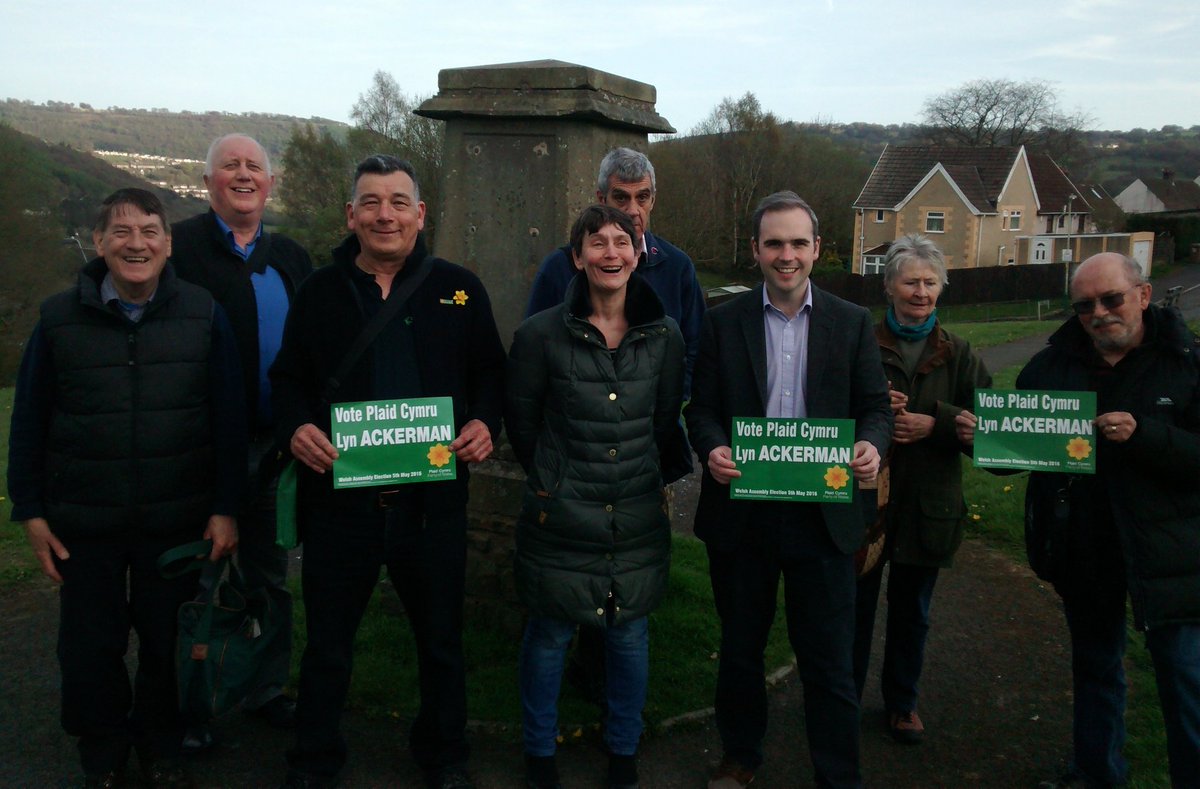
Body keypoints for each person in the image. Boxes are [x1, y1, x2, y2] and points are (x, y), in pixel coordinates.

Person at [270, 155, 505, 789]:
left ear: (421, 214)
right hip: (341, 508)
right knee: (327, 647)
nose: (385, 214)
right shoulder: (319, 291)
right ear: (351, 215)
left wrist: (485, 422)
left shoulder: (460, 288)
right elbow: (287, 380)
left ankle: (444, 755)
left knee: (440, 643)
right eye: (371, 202)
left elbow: (491, 374)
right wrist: (296, 428)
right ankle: (314, 761)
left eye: (399, 202)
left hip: (429, 510)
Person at [7, 188, 246, 788]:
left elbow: (228, 418)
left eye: (148, 232)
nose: (135, 243)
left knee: (168, 642)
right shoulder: (59, 318)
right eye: (121, 232)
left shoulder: (203, 312)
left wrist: (226, 508)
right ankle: (103, 750)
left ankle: (160, 745)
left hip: (177, 517)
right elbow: (30, 416)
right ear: (99, 243)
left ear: (168, 244)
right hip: (84, 519)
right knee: (90, 646)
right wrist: (30, 510)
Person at [684, 191, 892, 789]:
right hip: (743, 514)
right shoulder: (723, 321)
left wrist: (874, 445)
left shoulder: (850, 322)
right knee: (741, 649)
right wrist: (712, 447)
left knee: (828, 660)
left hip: (822, 517)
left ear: (817, 249)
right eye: (774, 242)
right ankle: (740, 756)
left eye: (798, 242)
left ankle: (837, 774)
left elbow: (874, 407)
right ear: (755, 250)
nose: (786, 254)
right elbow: (702, 410)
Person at [1004, 252, 1200, 789]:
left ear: (1143, 294)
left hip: (1171, 550)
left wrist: (1145, 436)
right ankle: (1095, 773)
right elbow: (1018, 448)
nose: (1098, 313)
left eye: (1111, 299)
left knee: (1184, 677)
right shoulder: (1051, 365)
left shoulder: (1187, 362)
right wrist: (990, 441)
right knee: (1095, 669)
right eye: (1084, 305)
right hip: (1085, 544)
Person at [507, 205, 685, 789]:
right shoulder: (540, 335)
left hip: (634, 508)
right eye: (597, 243)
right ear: (577, 257)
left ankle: (624, 750)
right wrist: (555, 478)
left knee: (629, 631)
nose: (611, 252)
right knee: (551, 632)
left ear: (638, 254)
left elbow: (663, 421)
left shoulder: (663, 336)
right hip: (562, 510)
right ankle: (538, 753)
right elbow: (523, 423)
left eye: (622, 242)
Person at [170, 133, 313, 740]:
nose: (244, 174)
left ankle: (264, 687)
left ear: (271, 185)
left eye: (255, 166)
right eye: (230, 166)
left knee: (268, 576)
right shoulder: (175, 249)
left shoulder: (292, 258)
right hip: (194, 445)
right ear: (209, 184)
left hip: (274, 448)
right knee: (195, 580)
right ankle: (190, 704)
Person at [850, 234, 991, 744]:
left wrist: (939, 424)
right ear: (889, 286)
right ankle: (843, 698)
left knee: (913, 612)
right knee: (855, 608)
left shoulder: (959, 353)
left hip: (928, 505)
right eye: (911, 281)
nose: (922, 292)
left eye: (932, 282)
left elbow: (990, 431)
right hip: (866, 500)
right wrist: (869, 409)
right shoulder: (858, 340)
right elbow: (822, 412)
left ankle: (903, 703)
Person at [525, 146, 705, 396]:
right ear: (602, 199)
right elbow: (531, 352)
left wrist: (668, 400)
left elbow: (696, 346)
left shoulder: (677, 266)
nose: (633, 210)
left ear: (653, 199)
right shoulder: (559, 267)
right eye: (621, 198)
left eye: (642, 197)